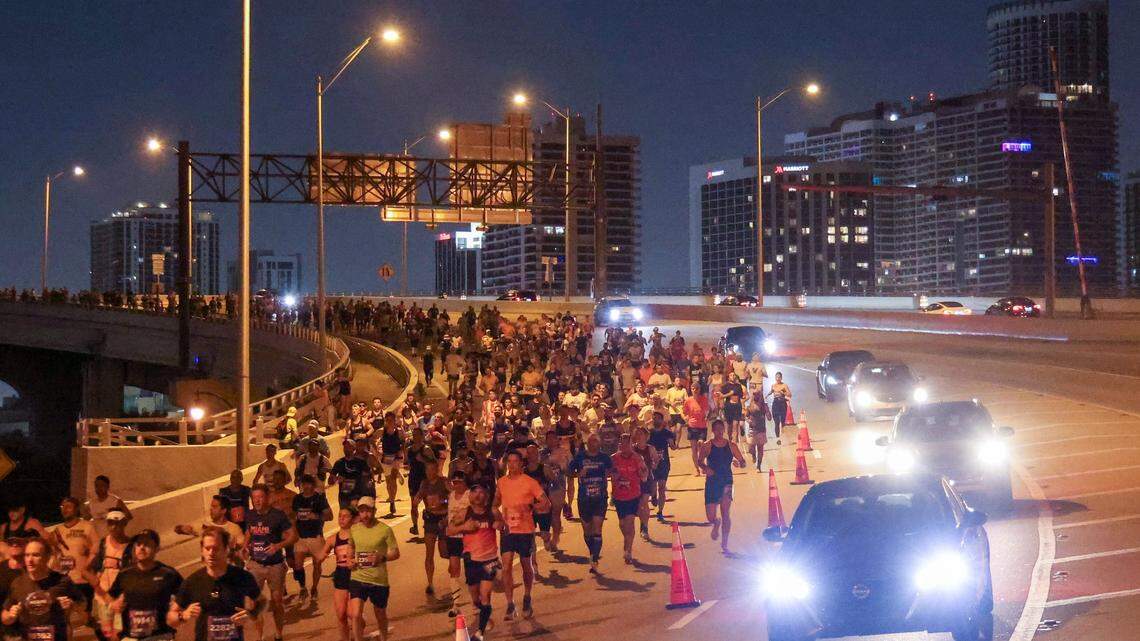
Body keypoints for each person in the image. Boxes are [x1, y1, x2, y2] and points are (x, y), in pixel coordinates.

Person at [168, 528, 264, 641]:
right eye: (207, 548)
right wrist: (182, 615)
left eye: (216, 548)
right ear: (202, 550)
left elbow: (262, 601)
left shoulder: (242, 577)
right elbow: (171, 618)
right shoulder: (192, 581)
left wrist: (251, 614)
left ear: (226, 550)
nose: (211, 553)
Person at [493, 450, 548, 620]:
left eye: (515, 461)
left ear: (521, 464)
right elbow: (495, 505)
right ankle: (510, 604)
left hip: (525, 530)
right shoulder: (501, 482)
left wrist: (531, 508)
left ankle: (527, 596)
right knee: (507, 566)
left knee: (526, 566)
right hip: (508, 531)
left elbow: (546, 503)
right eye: (509, 461)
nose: (511, 464)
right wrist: (499, 519)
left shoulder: (530, 483)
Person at [106, 529, 182, 641]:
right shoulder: (125, 574)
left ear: (157, 549)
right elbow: (109, 597)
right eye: (138, 544)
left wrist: (177, 613)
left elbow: (187, 596)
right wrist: (113, 605)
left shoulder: (167, 574)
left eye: (147, 544)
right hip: (130, 637)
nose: (141, 547)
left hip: (160, 636)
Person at [447, 483, 500, 641]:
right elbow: (449, 530)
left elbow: (504, 525)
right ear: (470, 496)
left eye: (481, 492)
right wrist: (464, 527)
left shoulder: (493, 512)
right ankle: (485, 616)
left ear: (486, 496)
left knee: (485, 597)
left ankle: (480, 633)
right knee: (476, 599)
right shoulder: (465, 513)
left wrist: (500, 525)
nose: (478, 495)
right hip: (471, 560)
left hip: (489, 560)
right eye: (475, 492)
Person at [1, 537, 81, 641]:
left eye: (36, 555)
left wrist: (72, 606)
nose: (30, 560)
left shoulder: (62, 581)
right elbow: (4, 618)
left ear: (47, 557)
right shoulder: (17, 583)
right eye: (27, 555)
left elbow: (83, 608)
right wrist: (11, 616)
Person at [245, 484, 296, 641]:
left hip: (275, 565)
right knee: (251, 603)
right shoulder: (250, 515)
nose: (257, 501)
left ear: (267, 498)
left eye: (260, 497)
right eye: (254, 498)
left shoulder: (278, 515)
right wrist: (245, 546)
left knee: (277, 602)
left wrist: (277, 546)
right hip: (255, 564)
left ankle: (278, 634)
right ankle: (260, 636)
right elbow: (249, 532)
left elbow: (293, 536)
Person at [347, 497, 400, 641]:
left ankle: (383, 638)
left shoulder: (385, 530)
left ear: (374, 511)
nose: (365, 514)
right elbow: (351, 546)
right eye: (362, 511)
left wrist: (381, 558)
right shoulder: (354, 529)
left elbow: (395, 552)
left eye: (368, 511)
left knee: (380, 613)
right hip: (358, 577)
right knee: (356, 614)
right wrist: (349, 560)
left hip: (378, 580)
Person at [698, 420, 746, 555]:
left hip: (726, 481)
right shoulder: (707, 446)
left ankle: (725, 542)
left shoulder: (731, 445)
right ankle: (715, 523)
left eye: (721, 429)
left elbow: (743, 462)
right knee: (710, 516)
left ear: (724, 430)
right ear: (712, 431)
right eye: (717, 429)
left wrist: (739, 463)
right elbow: (699, 461)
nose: (719, 432)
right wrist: (705, 467)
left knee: (726, 512)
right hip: (712, 482)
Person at [568, 434, 613, 574]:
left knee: (597, 529)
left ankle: (594, 558)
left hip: (600, 498)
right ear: (587, 443)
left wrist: (609, 474)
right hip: (584, 499)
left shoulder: (605, 458)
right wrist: (578, 474)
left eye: (596, 441)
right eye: (591, 441)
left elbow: (612, 471)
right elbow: (569, 472)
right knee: (587, 530)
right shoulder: (580, 457)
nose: (593, 443)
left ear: (599, 443)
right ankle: (592, 552)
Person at [50, 497, 97, 630]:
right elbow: (53, 554)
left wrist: (87, 567)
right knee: (64, 620)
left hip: (82, 581)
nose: (65, 509)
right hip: (64, 582)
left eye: (69, 506)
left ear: (76, 509)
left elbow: (96, 549)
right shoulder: (57, 530)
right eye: (62, 507)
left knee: (85, 619)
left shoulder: (87, 527)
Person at [91, 509, 133, 640]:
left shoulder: (132, 546)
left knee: (121, 633)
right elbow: (87, 570)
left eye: (117, 523)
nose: (113, 527)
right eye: (110, 523)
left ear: (124, 523)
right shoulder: (103, 544)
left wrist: (122, 598)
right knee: (104, 633)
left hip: (121, 599)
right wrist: (98, 588)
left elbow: (135, 575)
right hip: (102, 598)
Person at [292, 475, 333, 602]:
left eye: (309, 484)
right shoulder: (297, 499)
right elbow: (293, 515)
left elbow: (330, 516)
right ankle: (303, 588)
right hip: (300, 537)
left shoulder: (319, 498)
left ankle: (314, 588)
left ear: (313, 485)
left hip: (316, 536)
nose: (306, 486)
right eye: (304, 484)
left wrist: (316, 516)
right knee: (298, 565)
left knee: (317, 564)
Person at [610, 434, 649, 564]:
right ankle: (628, 540)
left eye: (626, 444)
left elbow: (644, 473)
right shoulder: (614, 458)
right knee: (622, 524)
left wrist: (643, 474)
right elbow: (607, 472)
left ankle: (628, 550)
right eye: (621, 443)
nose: (623, 446)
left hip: (633, 495)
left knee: (629, 522)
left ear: (631, 444)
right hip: (618, 496)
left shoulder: (637, 458)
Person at [174, 495, 245, 564]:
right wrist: (182, 529)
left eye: (214, 507)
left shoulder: (234, 528)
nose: (211, 509)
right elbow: (177, 529)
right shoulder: (203, 525)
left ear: (223, 510)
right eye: (211, 506)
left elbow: (242, 549)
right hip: (207, 569)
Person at [414, 460, 450, 597]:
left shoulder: (443, 481)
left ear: (437, 469)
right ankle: (430, 583)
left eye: (432, 470)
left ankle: (455, 564)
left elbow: (453, 497)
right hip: (430, 520)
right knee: (429, 552)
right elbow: (419, 495)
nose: (430, 473)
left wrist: (443, 501)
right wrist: (416, 501)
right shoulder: (424, 483)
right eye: (427, 470)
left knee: (444, 552)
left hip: (443, 520)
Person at [322, 506, 357, 641]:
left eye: (345, 516)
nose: (341, 518)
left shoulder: (358, 536)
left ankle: (359, 621)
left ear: (353, 519)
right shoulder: (332, 539)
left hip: (355, 575)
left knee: (353, 614)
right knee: (341, 614)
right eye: (340, 516)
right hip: (341, 575)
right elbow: (320, 554)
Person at [443, 471, 470, 619]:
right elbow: (449, 513)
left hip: (467, 536)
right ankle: (456, 604)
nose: (457, 485)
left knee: (471, 569)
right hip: (453, 536)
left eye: (459, 482)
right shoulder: (451, 496)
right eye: (454, 482)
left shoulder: (470, 495)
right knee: (453, 568)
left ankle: (477, 602)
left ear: (465, 482)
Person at [538, 431, 569, 552]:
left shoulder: (564, 452)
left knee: (555, 513)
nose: (551, 440)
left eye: (553, 438)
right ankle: (551, 534)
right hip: (544, 486)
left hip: (558, 485)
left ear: (557, 439)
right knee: (546, 514)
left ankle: (555, 540)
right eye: (548, 438)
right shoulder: (541, 453)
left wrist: (561, 463)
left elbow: (568, 468)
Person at [405, 427, 438, 536]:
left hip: (425, 479)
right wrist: (406, 466)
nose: (415, 437)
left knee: (428, 503)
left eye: (417, 435)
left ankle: (432, 525)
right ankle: (415, 526)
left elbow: (435, 464)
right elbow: (407, 463)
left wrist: (423, 460)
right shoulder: (409, 449)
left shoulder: (426, 449)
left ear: (421, 436)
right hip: (413, 479)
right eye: (413, 435)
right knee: (413, 504)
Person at [646, 412, 675, 521]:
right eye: (654, 418)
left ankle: (660, 512)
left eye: (658, 418)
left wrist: (672, 443)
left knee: (662, 488)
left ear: (662, 420)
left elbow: (673, 446)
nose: (655, 420)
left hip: (664, 463)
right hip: (652, 464)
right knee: (653, 486)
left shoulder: (667, 433)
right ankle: (653, 496)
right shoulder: (649, 433)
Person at [0, 538, 25, 640]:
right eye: (10, 543)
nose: (14, 545)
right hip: (6, 629)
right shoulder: (1, 568)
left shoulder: (34, 569)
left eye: (18, 542)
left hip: (30, 625)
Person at [682, 380, 710, 475]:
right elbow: (683, 412)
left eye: (697, 388)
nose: (695, 390)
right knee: (694, 449)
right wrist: (686, 419)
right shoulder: (688, 400)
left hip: (702, 426)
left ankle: (702, 465)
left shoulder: (704, 399)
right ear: (691, 389)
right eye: (693, 388)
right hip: (692, 426)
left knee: (701, 446)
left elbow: (707, 410)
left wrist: (706, 416)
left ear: (699, 389)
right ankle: (696, 469)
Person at [747, 383, 769, 470]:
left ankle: (759, 465)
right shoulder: (750, 406)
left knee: (760, 448)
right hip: (752, 429)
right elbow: (745, 416)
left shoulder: (763, 406)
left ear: (760, 395)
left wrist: (767, 411)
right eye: (754, 394)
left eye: (757, 394)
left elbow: (769, 418)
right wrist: (748, 420)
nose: (755, 396)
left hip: (761, 429)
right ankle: (753, 455)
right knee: (751, 447)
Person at [767, 371, 792, 445]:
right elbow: (771, 391)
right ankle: (778, 439)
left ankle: (783, 436)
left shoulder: (784, 385)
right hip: (775, 404)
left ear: (781, 378)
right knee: (776, 422)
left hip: (782, 403)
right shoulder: (773, 385)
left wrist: (783, 393)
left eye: (779, 377)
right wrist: (766, 395)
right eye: (776, 377)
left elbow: (790, 394)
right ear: (775, 378)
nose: (778, 378)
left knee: (783, 422)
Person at [664, 377, 689, 447]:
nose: (679, 382)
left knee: (678, 429)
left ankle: (677, 444)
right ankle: (672, 441)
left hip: (680, 412)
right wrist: (671, 403)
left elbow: (687, 400)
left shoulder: (683, 390)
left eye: (680, 380)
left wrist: (683, 401)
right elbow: (666, 400)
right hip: (672, 412)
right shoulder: (670, 390)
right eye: (677, 380)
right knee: (672, 430)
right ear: (674, 382)